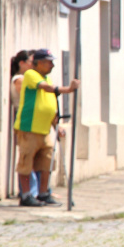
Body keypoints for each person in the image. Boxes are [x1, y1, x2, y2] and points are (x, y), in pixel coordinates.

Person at [13, 49, 80, 207]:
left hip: (44, 130)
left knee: (46, 163)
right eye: (49, 62)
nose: (52, 65)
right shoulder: (31, 75)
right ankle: (26, 194)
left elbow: (49, 105)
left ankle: (43, 193)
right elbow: (46, 89)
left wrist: (56, 125)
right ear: (39, 62)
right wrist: (67, 90)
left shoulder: (47, 78)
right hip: (29, 128)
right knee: (26, 162)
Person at [11, 50, 41, 198]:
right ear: (22, 63)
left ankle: (37, 191)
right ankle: (27, 192)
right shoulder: (20, 79)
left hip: (34, 123)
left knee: (35, 159)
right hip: (26, 123)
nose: (32, 65)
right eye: (30, 61)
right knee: (26, 159)